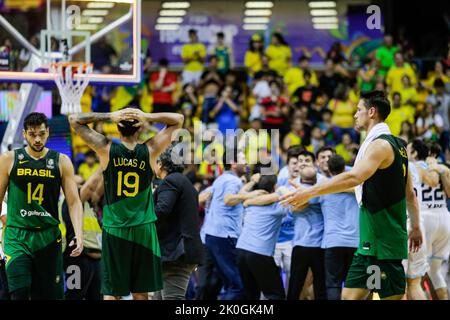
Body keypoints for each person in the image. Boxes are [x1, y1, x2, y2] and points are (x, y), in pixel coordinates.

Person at [281, 90, 423, 300]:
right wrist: (416, 227)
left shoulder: (381, 145)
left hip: (383, 240)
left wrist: (309, 192)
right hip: (368, 241)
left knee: (389, 298)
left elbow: (354, 177)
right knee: (349, 297)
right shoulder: (399, 147)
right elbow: (409, 194)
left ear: (372, 112)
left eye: (358, 110)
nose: (355, 115)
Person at [68, 108, 184, 300]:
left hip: (115, 228)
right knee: (141, 293)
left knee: (113, 293)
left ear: (117, 128)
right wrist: (146, 116)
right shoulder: (150, 150)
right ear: (139, 128)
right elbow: (178, 119)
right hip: (143, 229)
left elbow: (74, 120)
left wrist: (109, 115)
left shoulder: (106, 149)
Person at [0, 112, 83, 300]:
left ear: (48, 132)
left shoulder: (61, 161)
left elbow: (74, 201)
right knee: (19, 293)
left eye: (42, 134)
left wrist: (79, 233)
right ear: (24, 134)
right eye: (32, 134)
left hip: (48, 237)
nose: (37, 139)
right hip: (17, 236)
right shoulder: (8, 159)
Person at [202, 145, 266, 300]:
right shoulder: (233, 180)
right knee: (238, 286)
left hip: (211, 236)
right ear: (233, 163)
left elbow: (235, 194)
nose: (247, 162)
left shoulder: (222, 178)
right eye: (243, 159)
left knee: (220, 283)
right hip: (225, 236)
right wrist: (251, 195)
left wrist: (250, 184)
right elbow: (229, 199)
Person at [153, 145, 204, 300]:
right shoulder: (184, 182)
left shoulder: (171, 181)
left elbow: (162, 210)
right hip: (177, 252)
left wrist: (139, 220)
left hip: (175, 254)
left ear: (161, 164)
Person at [237, 175, 289, 300]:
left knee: (251, 295)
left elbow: (242, 194)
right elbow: (290, 196)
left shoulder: (250, 204)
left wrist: (252, 182)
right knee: (276, 295)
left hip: (241, 251)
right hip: (259, 253)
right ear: (273, 188)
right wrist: (281, 188)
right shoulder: (277, 208)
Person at [318, 155, 359, 300]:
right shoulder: (358, 187)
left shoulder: (323, 188)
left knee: (333, 284)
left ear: (328, 169)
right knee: (352, 284)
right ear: (344, 168)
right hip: (355, 242)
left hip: (333, 241)